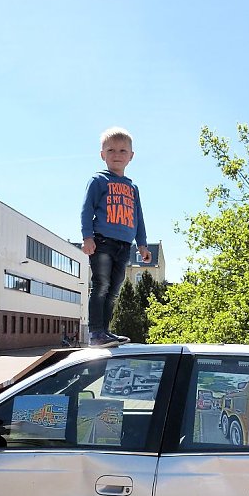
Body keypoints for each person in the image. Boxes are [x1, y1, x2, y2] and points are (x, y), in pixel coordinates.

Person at [81, 127, 151, 348]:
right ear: (103, 154)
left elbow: (138, 217)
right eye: (111, 150)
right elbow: (86, 210)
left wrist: (142, 245)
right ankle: (95, 333)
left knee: (114, 290)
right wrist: (87, 237)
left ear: (131, 156)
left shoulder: (132, 188)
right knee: (101, 284)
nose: (117, 154)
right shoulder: (98, 180)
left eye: (123, 150)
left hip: (124, 246)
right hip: (102, 242)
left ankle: (105, 331)